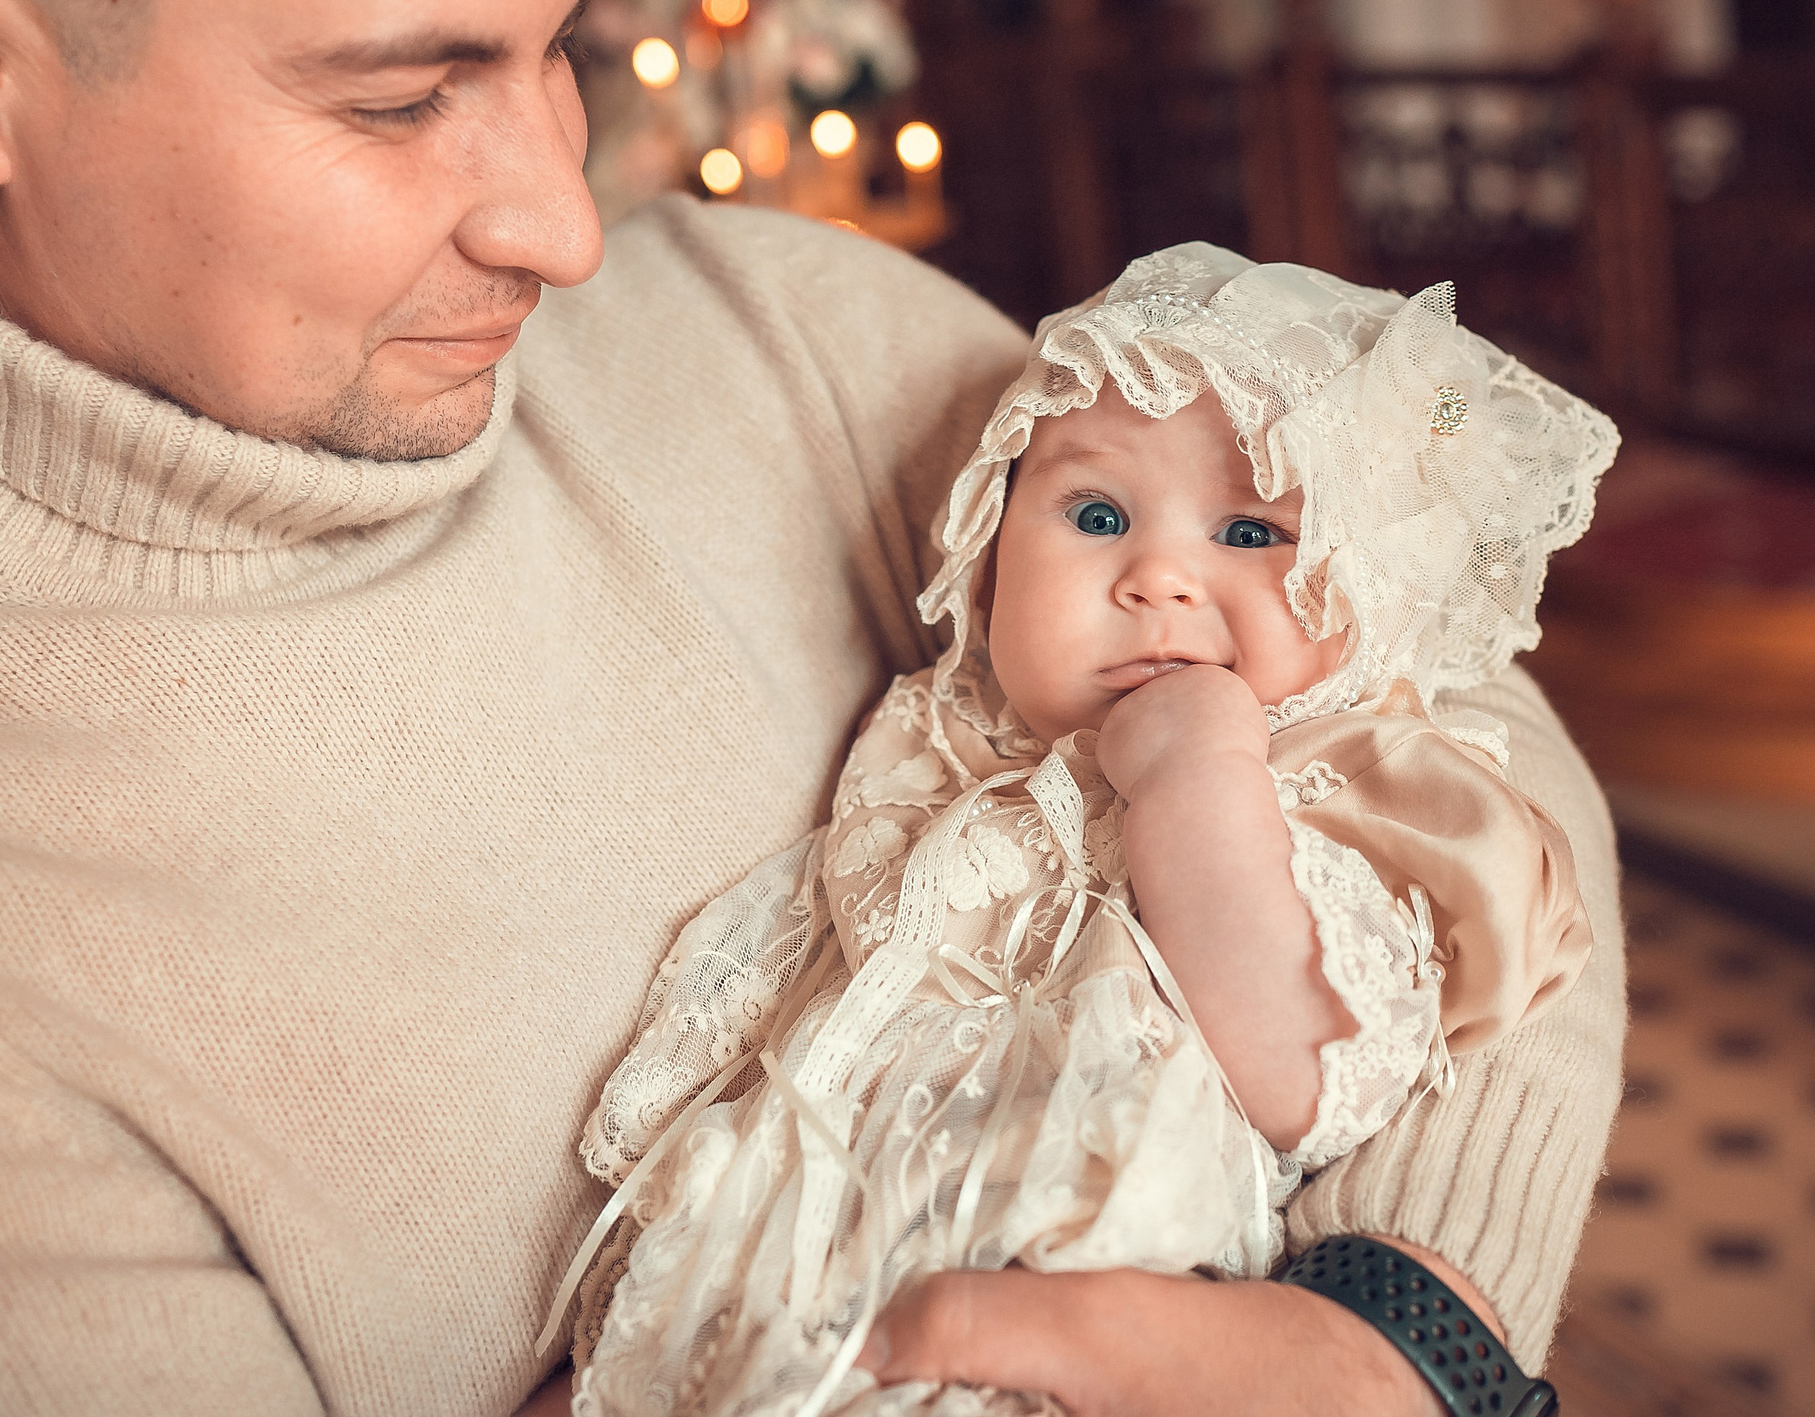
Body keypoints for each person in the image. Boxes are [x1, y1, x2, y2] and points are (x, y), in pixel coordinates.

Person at [0, 0, 1626, 1414]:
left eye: (552, 52)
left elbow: (1450, 712)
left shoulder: (780, 328)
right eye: (403, 97)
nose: (562, 222)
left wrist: (1404, 1317)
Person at [563, 252, 1612, 1416]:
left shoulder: (1346, 780)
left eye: (1253, 532)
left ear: (1374, 588)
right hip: (805, 1235)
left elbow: (1294, 1080)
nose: (1158, 576)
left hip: (1098, 1274)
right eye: (1097, 516)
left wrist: (1197, 778)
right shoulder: (947, 732)